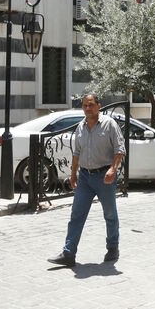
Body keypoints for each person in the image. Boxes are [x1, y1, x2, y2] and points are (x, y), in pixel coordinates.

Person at [48, 94, 125, 267]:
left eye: (91, 105)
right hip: (84, 177)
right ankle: (68, 253)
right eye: (85, 105)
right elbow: (77, 153)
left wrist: (113, 168)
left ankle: (113, 247)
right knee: (76, 215)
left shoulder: (109, 124)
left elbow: (119, 149)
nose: (88, 108)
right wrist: (73, 174)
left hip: (104, 176)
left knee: (110, 214)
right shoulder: (80, 127)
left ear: (98, 105)